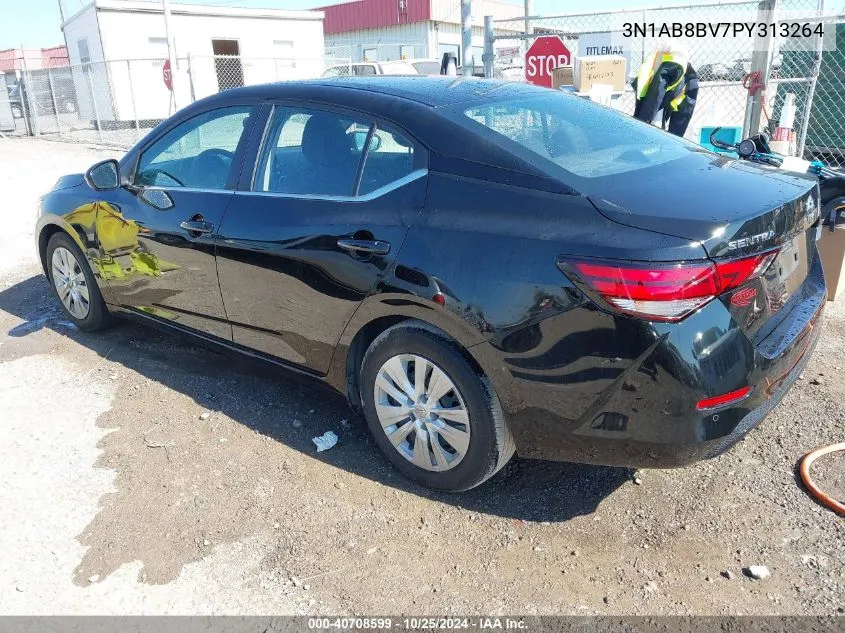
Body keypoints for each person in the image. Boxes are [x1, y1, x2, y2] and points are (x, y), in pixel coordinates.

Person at [632, 40, 699, 137]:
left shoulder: (684, 72)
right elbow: (657, 93)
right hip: (654, 99)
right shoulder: (688, 73)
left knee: (652, 126)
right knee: (653, 125)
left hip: (654, 100)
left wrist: (644, 121)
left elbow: (657, 92)